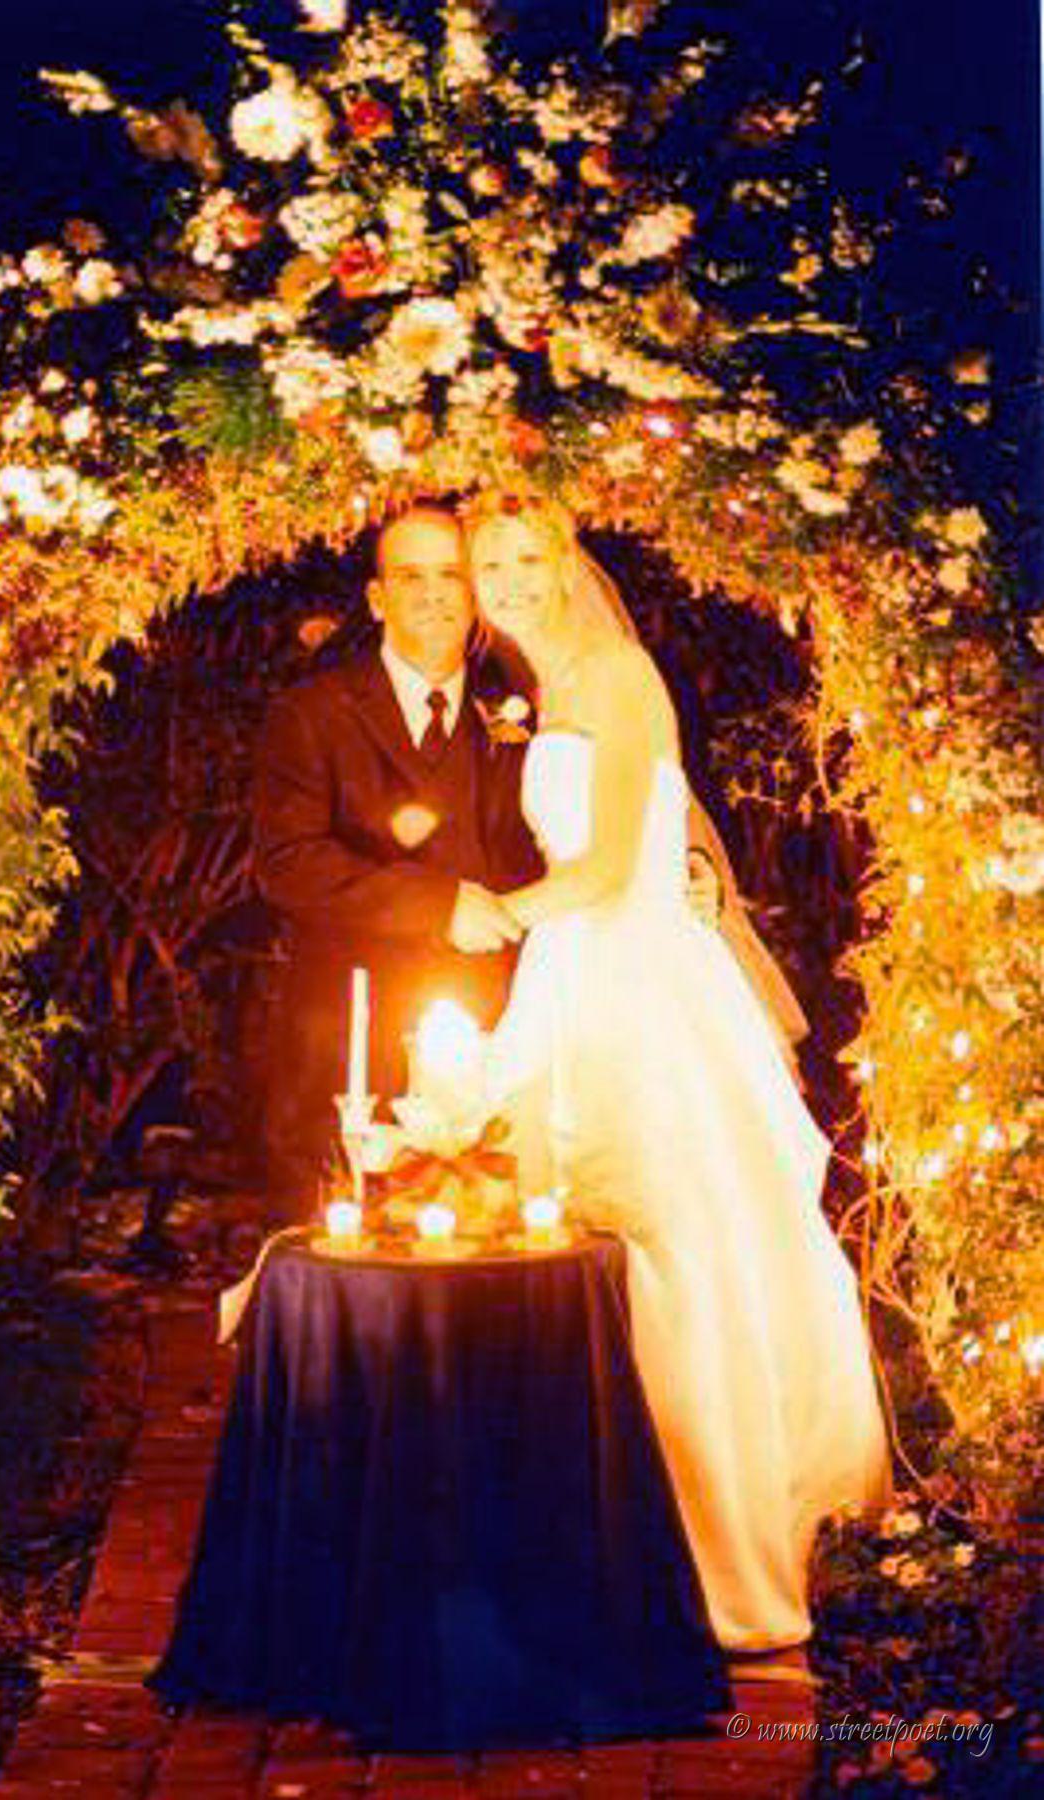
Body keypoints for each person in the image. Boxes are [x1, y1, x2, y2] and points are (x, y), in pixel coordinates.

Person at [457, 488, 892, 1652]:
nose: (508, 581)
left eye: (526, 559)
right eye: (489, 565)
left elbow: (606, 872)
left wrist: (496, 911)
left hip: (631, 979)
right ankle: (584, 1528)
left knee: (670, 1247)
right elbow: (658, 833)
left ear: (566, 565)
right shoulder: (546, 686)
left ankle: (703, 1545)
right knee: (569, 1244)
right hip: (575, 970)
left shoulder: (613, 678)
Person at [250, 504, 539, 1220]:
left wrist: (683, 866)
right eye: (411, 578)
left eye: (451, 575)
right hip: (351, 1039)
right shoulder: (311, 712)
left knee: (491, 1250)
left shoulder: (526, 709)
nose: (435, 594)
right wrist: (437, 905)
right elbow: (287, 861)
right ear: (378, 599)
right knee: (340, 1256)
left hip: (497, 1035)